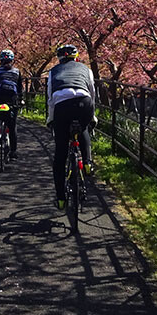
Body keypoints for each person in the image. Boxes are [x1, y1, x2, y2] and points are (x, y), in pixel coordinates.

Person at [47, 43, 96, 210]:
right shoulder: (85, 69)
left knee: (60, 154)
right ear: (76, 57)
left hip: (62, 106)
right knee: (83, 129)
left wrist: (51, 120)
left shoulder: (53, 71)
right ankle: (88, 162)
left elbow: (50, 98)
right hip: (84, 102)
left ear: (59, 59)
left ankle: (61, 199)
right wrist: (92, 116)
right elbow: (92, 91)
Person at [0, 49, 23, 160]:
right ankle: (13, 152)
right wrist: (21, 100)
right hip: (12, 99)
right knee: (12, 126)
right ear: (12, 60)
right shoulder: (17, 72)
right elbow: (19, 89)